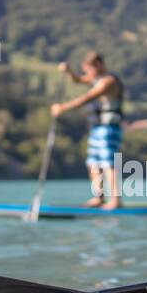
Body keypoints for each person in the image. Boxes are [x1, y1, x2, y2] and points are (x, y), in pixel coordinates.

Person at [51, 51, 125, 208]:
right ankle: (99, 198)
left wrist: (62, 107)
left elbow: (87, 98)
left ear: (98, 65)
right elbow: (77, 80)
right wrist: (69, 71)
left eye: (89, 70)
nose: (87, 74)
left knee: (108, 163)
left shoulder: (108, 82)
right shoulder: (96, 79)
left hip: (109, 128)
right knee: (93, 162)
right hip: (97, 128)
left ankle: (115, 201)